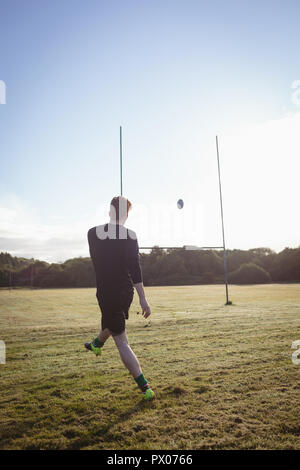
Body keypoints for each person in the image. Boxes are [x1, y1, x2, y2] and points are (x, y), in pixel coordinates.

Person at [85, 196, 154, 401]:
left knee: (121, 341)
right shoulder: (130, 236)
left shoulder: (92, 234)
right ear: (126, 214)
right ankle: (97, 344)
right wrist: (143, 299)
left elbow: (101, 260)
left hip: (106, 292)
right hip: (125, 292)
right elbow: (135, 270)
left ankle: (145, 388)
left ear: (109, 212)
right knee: (114, 324)